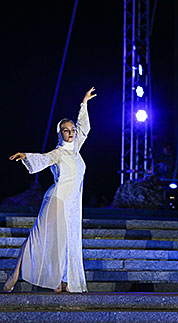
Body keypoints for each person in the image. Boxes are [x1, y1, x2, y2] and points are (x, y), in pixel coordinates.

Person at [3, 87, 96, 293]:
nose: (71, 133)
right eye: (66, 130)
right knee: (38, 237)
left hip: (71, 204)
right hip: (56, 200)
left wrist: (84, 103)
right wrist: (26, 156)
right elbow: (44, 159)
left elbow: (85, 127)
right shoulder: (58, 152)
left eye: (72, 130)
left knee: (65, 241)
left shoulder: (76, 148)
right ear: (60, 133)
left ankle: (62, 281)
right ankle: (15, 274)